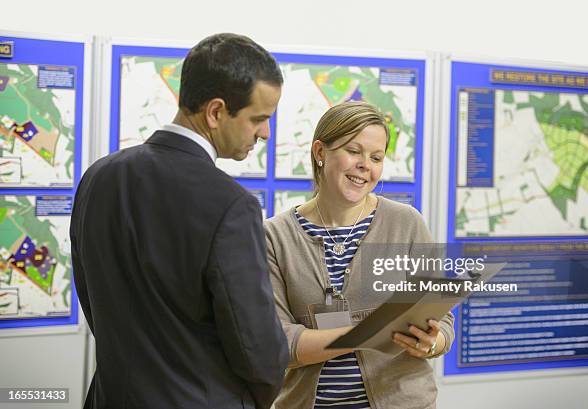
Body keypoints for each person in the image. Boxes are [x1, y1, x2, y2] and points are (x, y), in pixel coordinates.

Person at [70, 33, 288, 409]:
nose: (265, 133)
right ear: (216, 112)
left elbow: (91, 298)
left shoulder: (98, 177)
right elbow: (257, 348)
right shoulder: (231, 205)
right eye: (259, 119)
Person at [265, 101, 455, 409]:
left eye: (376, 157)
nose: (366, 165)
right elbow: (279, 342)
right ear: (319, 153)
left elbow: (443, 322)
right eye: (354, 151)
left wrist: (432, 342)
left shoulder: (406, 222)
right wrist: (371, 332)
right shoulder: (274, 236)